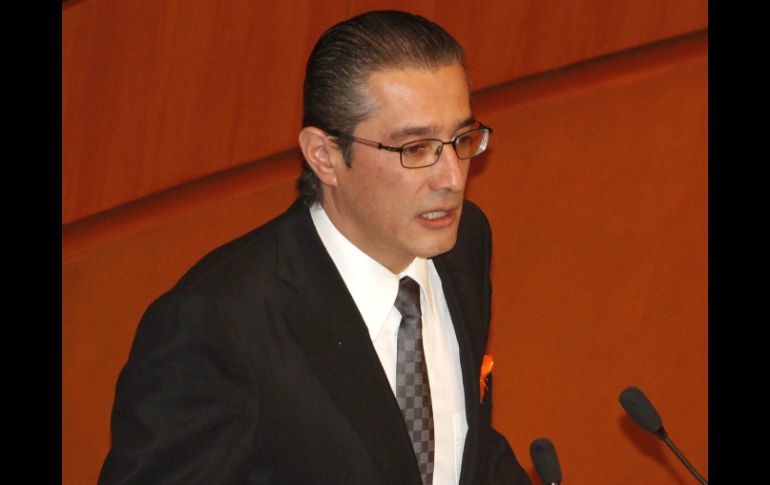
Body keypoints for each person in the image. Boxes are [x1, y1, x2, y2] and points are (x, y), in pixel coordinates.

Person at [99, 10, 531, 485]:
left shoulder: (464, 243)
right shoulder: (218, 325)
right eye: (415, 149)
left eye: (461, 138)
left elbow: (464, 444)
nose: (451, 178)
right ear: (324, 156)